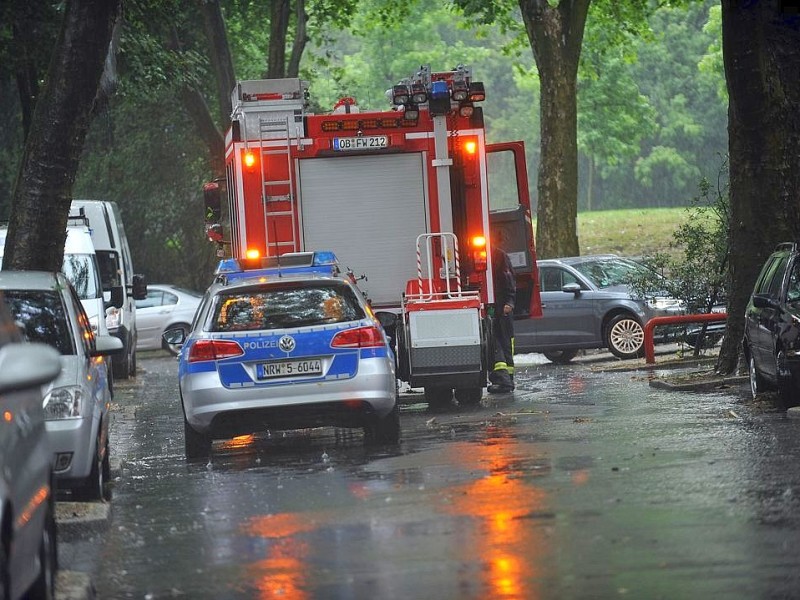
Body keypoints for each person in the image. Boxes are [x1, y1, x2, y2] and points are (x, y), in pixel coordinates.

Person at [488, 246, 516, 394]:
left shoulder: (498, 255)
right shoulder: (498, 254)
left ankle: (504, 380)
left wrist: (509, 301)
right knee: (504, 343)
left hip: (501, 307)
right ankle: (507, 380)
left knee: (499, 344)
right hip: (500, 307)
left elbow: (508, 278)